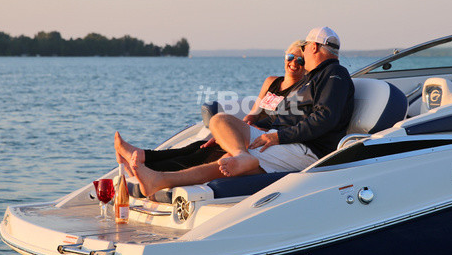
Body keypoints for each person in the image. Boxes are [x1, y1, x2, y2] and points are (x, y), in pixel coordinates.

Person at [116, 27, 354, 197]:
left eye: (303, 52)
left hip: (305, 149)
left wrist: (277, 136)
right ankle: (158, 179)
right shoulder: (312, 79)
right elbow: (282, 116)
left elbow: (325, 118)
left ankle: (158, 171)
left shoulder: (334, 74)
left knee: (222, 144)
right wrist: (257, 130)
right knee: (222, 138)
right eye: (291, 56)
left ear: (313, 47)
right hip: (285, 140)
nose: (297, 60)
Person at [115, 40, 307, 173]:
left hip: (263, 138)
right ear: (284, 57)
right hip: (249, 130)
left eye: (300, 60)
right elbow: (253, 114)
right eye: (291, 56)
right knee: (199, 145)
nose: (293, 63)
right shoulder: (271, 82)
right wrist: (239, 128)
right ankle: (142, 156)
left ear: (306, 66)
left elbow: (284, 125)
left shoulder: (302, 91)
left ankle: (147, 167)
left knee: (206, 153)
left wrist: (251, 131)